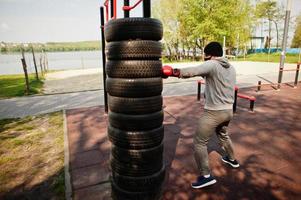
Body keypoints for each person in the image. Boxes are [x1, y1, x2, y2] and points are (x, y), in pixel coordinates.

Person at [162, 41, 239, 189]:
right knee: (223, 135)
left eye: (205, 55)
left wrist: (174, 72)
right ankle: (232, 159)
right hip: (228, 111)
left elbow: (194, 70)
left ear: (209, 55)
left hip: (214, 112)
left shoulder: (212, 64)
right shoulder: (231, 67)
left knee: (199, 142)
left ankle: (206, 176)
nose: (204, 57)